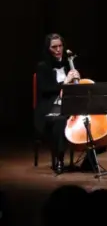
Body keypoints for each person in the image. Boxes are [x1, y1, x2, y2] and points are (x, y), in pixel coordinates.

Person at [34, 33, 79, 174]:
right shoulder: (43, 67)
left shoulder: (68, 64)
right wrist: (65, 82)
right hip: (49, 108)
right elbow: (46, 89)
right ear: (48, 48)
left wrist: (77, 79)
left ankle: (90, 160)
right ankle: (60, 159)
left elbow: (77, 89)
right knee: (61, 121)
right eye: (54, 47)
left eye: (60, 46)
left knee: (95, 115)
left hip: (69, 105)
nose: (58, 49)